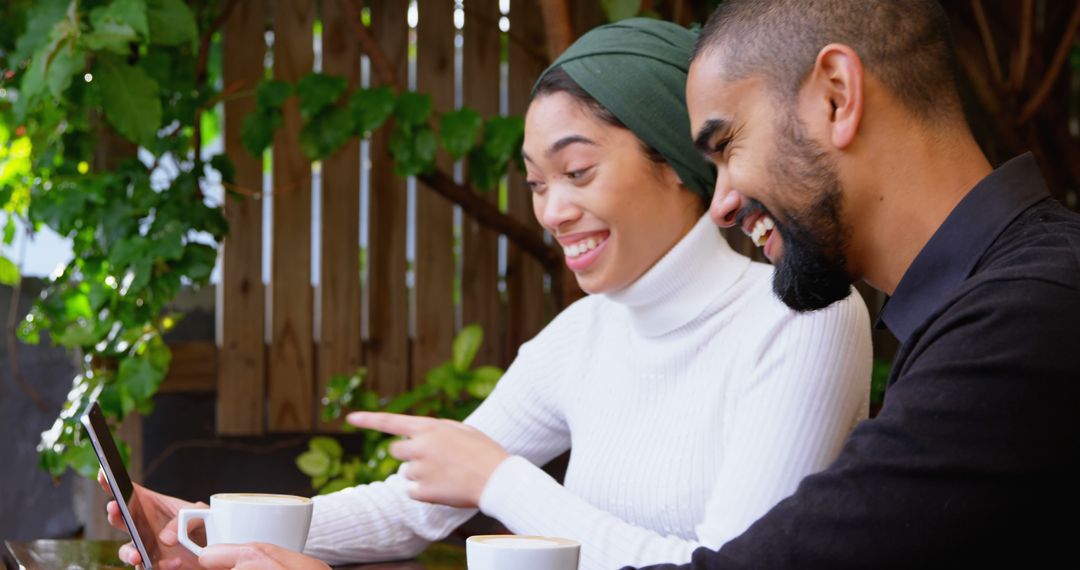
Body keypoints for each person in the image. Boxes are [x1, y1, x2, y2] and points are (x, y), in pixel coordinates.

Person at [103, 18, 872, 570]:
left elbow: (727, 565)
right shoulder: (583, 337)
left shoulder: (802, 317)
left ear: (678, 160)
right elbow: (411, 507)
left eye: (577, 172)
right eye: (537, 184)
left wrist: (503, 482)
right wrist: (208, 524)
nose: (552, 210)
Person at [627, 1, 1080, 568]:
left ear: (836, 96)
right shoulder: (1009, 298)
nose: (719, 206)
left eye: (725, 146)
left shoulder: (1029, 317)